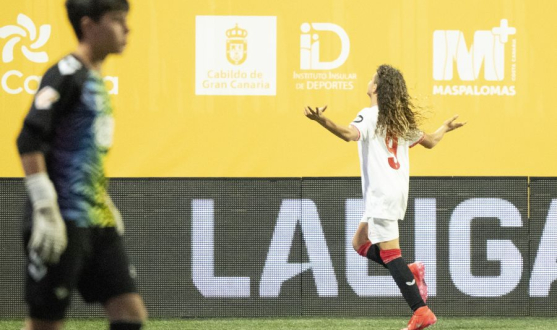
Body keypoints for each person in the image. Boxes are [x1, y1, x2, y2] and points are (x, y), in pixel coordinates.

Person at [16, 1, 147, 329]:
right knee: (46, 322)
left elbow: (82, 157)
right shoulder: (65, 74)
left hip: (97, 220)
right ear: (89, 26)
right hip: (61, 222)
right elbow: (28, 139)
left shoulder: (97, 80)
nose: (127, 29)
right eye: (117, 21)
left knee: (129, 313)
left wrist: (104, 201)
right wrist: (45, 206)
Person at [304, 64, 465, 330]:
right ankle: (409, 272)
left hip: (382, 193)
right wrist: (444, 128)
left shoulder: (369, 116)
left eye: (371, 79)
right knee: (359, 243)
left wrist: (321, 120)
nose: (368, 81)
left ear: (376, 88)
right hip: (392, 193)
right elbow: (432, 141)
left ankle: (421, 311)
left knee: (391, 254)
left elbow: (347, 134)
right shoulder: (398, 120)